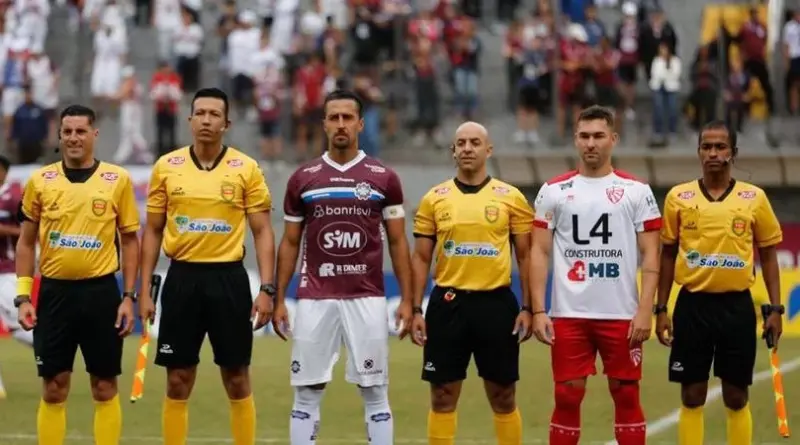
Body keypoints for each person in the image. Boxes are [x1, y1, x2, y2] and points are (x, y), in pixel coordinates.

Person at [273, 89, 414, 445]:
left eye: (347, 117)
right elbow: (290, 242)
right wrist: (277, 298)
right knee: (307, 391)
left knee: (375, 391)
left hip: (367, 296)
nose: (340, 124)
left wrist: (409, 300)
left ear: (360, 124)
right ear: (323, 124)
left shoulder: (383, 177)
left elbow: (399, 242)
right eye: (333, 117)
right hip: (314, 297)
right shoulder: (303, 178)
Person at [139, 87, 275, 445]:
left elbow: (262, 231)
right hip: (181, 278)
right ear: (189, 120)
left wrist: (267, 288)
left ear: (226, 123)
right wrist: (144, 290)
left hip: (228, 279)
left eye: (214, 114)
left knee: (237, 377)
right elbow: (152, 231)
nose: (206, 120)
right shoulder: (166, 167)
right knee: (177, 379)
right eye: (200, 113)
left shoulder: (246, 168)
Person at [530, 105, 662, 445]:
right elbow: (539, 252)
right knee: (567, 394)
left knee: (626, 393)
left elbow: (651, 254)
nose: (591, 143)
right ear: (575, 139)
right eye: (584, 136)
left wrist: (645, 309)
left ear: (613, 139)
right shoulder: (552, 191)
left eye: (599, 136)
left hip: (621, 314)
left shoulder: (636, 190)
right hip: (569, 314)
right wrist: (539, 310)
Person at [14, 104, 140, 444]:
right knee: (54, 387)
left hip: (101, 294)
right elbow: (25, 243)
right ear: (59, 135)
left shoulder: (117, 180)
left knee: (105, 385)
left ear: (94, 134)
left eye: (80, 131)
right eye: (67, 131)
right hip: (54, 294)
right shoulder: (40, 181)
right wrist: (24, 297)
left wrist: (129, 297)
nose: (73, 138)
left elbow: (130, 241)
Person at [655, 120, 784, 445]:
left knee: (736, 396)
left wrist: (776, 309)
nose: (713, 153)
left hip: (736, 307)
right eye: (707, 147)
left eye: (720, 147)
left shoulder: (753, 197)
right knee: (692, 394)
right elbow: (667, 255)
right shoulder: (678, 197)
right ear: (699, 152)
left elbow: (769, 255)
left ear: (733, 152)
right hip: (692, 306)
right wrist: (661, 309)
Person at [409, 121, 534, 445]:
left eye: (475, 143)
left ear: (488, 150)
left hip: (496, 304)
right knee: (442, 395)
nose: (467, 148)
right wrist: (414, 309)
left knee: (503, 394)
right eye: (461, 143)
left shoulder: (511, 198)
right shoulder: (434, 198)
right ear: (453, 151)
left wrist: (529, 307)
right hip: (448, 304)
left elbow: (526, 256)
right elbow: (421, 258)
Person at [0, 155, 26, 398]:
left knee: (20, 327)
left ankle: (53, 355)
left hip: (6, 272)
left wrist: (3, 230)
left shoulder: (14, 196)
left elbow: (28, 231)